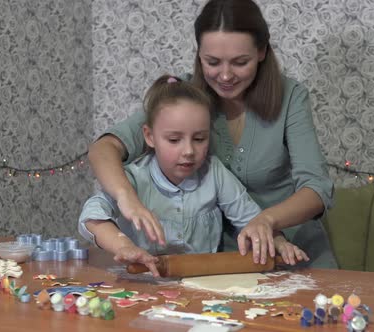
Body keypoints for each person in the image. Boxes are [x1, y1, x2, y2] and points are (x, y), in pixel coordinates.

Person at [88, 0, 337, 268]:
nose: (226, 75)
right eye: (213, 62)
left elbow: (316, 189)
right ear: (199, 55)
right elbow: (104, 149)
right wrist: (127, 198)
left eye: (240, 62)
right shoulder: (182, 99)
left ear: (262, 51)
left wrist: (267, 220)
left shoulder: (291, 98)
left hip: (294, 249)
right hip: (230, 262)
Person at [79, 75, 308, 277]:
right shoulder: (133, 179)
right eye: (174, 140)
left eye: (199, 139)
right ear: (149, 136)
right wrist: (122, 246)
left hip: (201, 287)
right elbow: (92, 217)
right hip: (141, 284)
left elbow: (250, 219)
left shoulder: (215, 173)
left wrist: (277, 240)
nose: (188, 151)